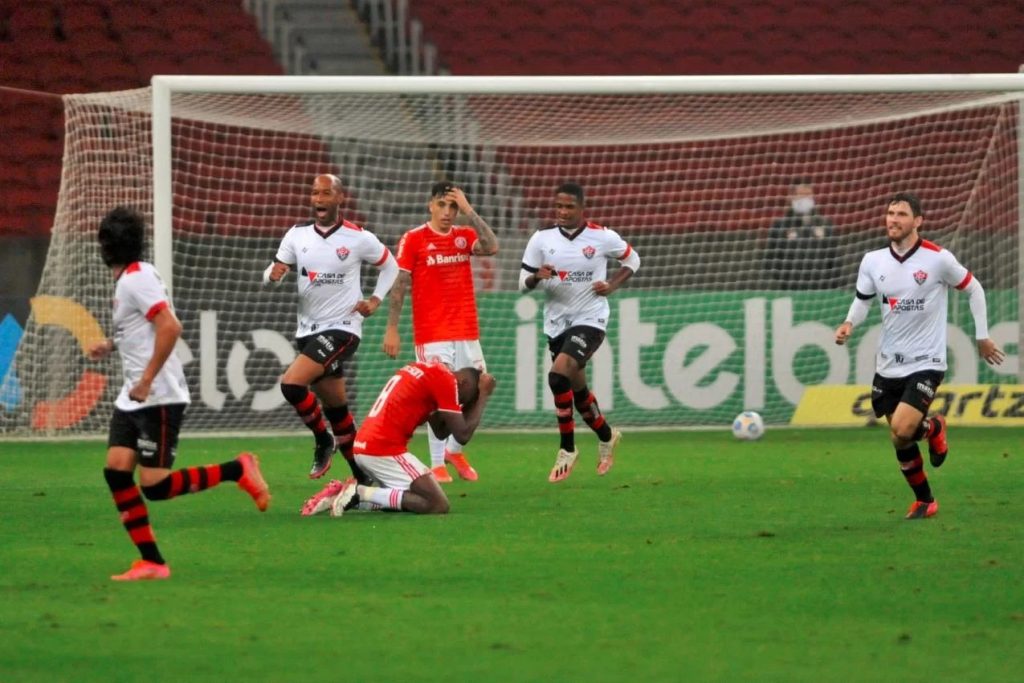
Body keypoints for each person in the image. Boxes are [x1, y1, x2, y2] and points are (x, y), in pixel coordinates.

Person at [88, 206, 270, 581]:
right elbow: (142, 329)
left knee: (153, 486)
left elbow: (171, 327)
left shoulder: (134, 280)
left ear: (107, 246)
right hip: (135, 396)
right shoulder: (134, 276)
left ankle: (238, 469)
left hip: (158, 395)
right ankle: (152, 562)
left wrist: (145, 379)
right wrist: (111, 345)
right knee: (117, 472)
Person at [834, 192, 1005, 519]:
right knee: (900, 438)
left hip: (926, 363)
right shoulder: (873, 260)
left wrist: (982, 336)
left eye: (900, 214)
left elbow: (974, 288)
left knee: (901, 426)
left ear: (918, 221)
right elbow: (862, 300)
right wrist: (848, 323)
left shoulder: (937, 259)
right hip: (887, 364)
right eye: (889, 213)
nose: (893, 220)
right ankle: (926, 499)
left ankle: (932, 429)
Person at [263, 174, 398, 481]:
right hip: (307, 330)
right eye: (314, 193)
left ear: (339, 198)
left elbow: (390, 264)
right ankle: (363, 477)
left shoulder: (358, 237)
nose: (319, 199)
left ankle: (323, 439)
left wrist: (376, 299)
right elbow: (273, 272)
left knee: (291, 384)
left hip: (344, 328)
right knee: (337, 409)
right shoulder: (296, 235)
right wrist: (273, 275)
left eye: (326, 193)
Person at [519, 182, 638, 483]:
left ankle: (567, 448)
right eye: (558, 206)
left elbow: (632, 260)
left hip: (591, 318)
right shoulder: (541, 238)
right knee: (579, 391)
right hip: (556, 323)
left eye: (569, 206)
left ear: (582, 208)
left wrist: (612, 285)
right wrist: (536, 277)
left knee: (558, 376)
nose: (562, 211)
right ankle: (607, 436)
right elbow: (522, 283)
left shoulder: (602, 236)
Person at [381, 181, 498, 483]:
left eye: (454, 207)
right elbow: (400, 284)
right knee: (440, 395)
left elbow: (492, 247)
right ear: (430, 205)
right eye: (442, 205)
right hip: (432, 333)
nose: (448, 212)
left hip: (466, 330)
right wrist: (392, 328)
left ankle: (454, 450)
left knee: (478, 388)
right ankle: (436, 464)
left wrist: (470, 210)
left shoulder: (464, 236)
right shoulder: (414, 239)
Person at [300, 360, 495, 517]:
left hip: (365, 447)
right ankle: (358, 493)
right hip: (383, 450)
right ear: (464, 383)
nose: (461, 404)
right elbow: (462, 435)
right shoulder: (446, 381)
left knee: (407, 501)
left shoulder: (432, 373)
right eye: (465, 400)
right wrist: (483, 395)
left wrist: (471, 401)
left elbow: (441, 431)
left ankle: (340, 494)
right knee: (437, 504)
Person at [764, 179, 838, 289]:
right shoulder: (780, 226)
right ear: (792, 197)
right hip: (790, 288)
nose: (805, 198)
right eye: (801, 195)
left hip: (821, 289)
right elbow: (770, 260)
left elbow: (835, 259)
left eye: (808, 195)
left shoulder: (825, 224)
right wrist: (785, 280)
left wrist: (829, 283)